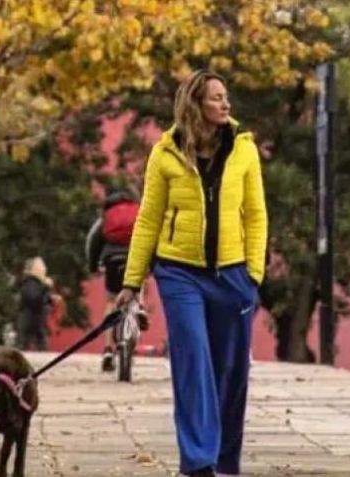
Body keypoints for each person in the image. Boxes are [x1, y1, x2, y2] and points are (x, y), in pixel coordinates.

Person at [115, 70, 268, 477]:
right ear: (196, 104)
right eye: (216, 98)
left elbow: (255, 216)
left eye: (226, 96)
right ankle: (199, 461)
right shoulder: (165, 154)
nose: (226, 104)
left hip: (233, 275)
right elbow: (148, 219)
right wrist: (132, 282)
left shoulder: (244, 150)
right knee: (193, 358)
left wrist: (253, 274)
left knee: (231, 371)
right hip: (179, 273)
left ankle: (224, 462)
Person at [85, 186, 148, 371]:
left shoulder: (106, 216)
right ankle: (140, 307)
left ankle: (107, 349)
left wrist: (93, 266)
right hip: (135, 257)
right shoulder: (139, 211)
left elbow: (93, 241)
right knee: (138, 283)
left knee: (112, 301)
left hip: (112, 260)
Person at [18, 256, 53, 351]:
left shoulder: (37, 284)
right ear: (34, 269)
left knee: (41, 345)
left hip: (38, 322)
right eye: (42, 266)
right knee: (25, 345)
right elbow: (34, 299)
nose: (44, 269)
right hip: (30, 321)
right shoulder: (30, 283)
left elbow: (42, 300)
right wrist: (46, 288)